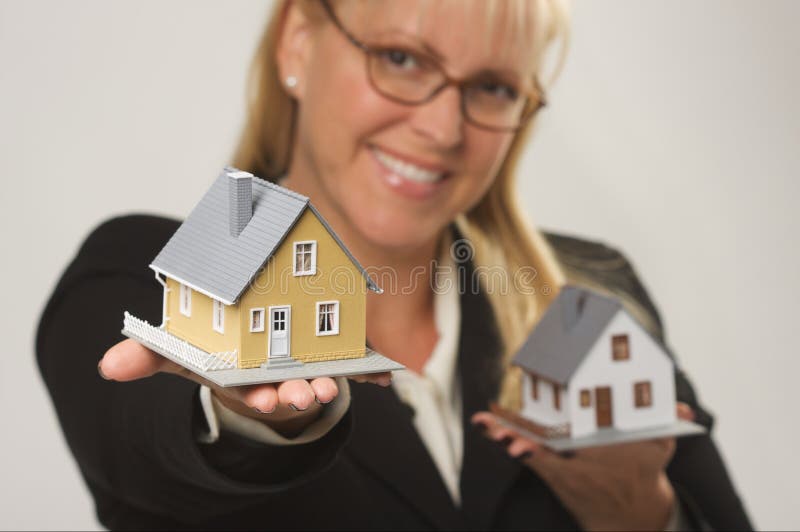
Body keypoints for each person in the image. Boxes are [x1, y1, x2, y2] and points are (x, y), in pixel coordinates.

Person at [37, 0, 752, 529]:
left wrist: (647, 518)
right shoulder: (141, 267)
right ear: (298, 44)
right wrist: (251, 421)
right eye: (402, 58)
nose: (443, 129)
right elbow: (148, 457)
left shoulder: (584, 295)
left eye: (495, 86)